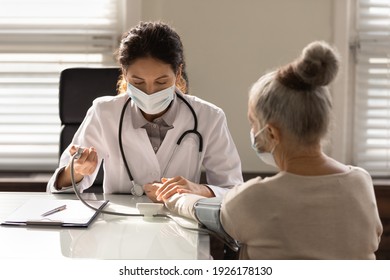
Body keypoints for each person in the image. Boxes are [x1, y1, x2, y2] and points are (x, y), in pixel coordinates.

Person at [163, 41, 383, 259]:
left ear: (272, 134)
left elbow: (201, 210)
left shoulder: (257, 198)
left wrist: (174, 196)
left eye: (253, 123)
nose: (252, 130)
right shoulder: (360, 182)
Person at [47, 21, 243, 201]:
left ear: (178, 73)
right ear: (124, 74)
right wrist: (77, 171)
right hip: (118, 229)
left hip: (180, 226)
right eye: (138, 82)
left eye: (161, 82)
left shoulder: (209, 117)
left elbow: (233, 190)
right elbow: (57, 190)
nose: (149, 92)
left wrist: (199, 190)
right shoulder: (104, 112)